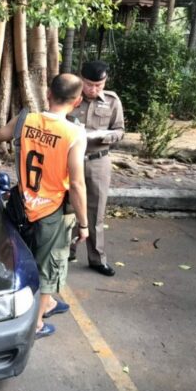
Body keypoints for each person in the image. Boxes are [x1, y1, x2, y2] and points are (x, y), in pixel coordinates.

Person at [0, 74, 89, 339]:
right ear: (77, 102)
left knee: (16, 255)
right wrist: (84, 224)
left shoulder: (25, 120)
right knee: (49, 267)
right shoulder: (74, 133)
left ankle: (47, 304)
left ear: (48, 94)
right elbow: (76, 184)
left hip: (21, 203)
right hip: (51, 210)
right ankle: (36, 324)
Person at [70, 60, 125, 276]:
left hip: (98, 160)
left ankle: (97, 258)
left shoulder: (112, 101)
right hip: (71, 159)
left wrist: (104, 135)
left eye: (98, 85)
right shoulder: (70, 98)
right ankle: (68, 251)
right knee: (67, 208)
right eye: (89, 84)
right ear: (80, 79)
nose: (93, 89)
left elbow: (120, 131)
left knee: (96, 211)